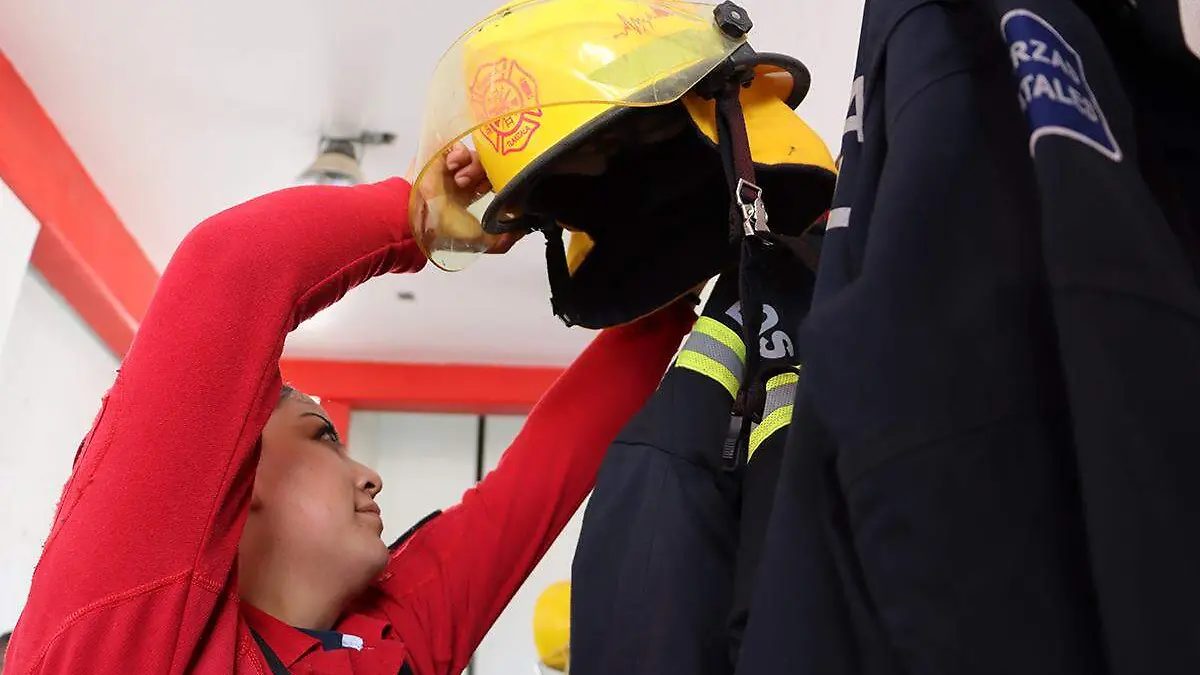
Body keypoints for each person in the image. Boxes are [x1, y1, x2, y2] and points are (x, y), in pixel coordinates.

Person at [4, 144, 696, 675]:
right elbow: (231, 268)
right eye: (322, 436)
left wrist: (675, 273)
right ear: (234, 480)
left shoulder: (388, 642)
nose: (371, 476)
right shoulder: (117, 636)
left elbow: (538, 477)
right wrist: (429, 218)